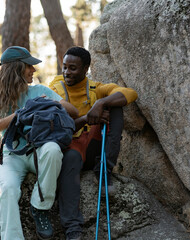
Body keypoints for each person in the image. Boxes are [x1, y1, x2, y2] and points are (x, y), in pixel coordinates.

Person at [0, 46, 78, 240]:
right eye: (29, 66)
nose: (33, 70)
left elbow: (73, 112)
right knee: (9, 190)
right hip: (12, 155)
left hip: (39, 149)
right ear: (16, 69)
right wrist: (21, 112)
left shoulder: (40, 91)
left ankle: (40, 207)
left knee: (53, 149)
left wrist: (49, 104)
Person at [49, 46, 138, 240]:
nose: (66, 72)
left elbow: (130, 94)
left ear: (86, 68)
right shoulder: (55, 88)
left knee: (114, 108)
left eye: (73, 68)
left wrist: (100, 103)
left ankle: (104, 169)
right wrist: (87, 118)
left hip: (92, 147)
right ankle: (73, 228)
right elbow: (60, 127)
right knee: (70, 158)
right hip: (70, 149)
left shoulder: (95, 88)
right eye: (64, 67)